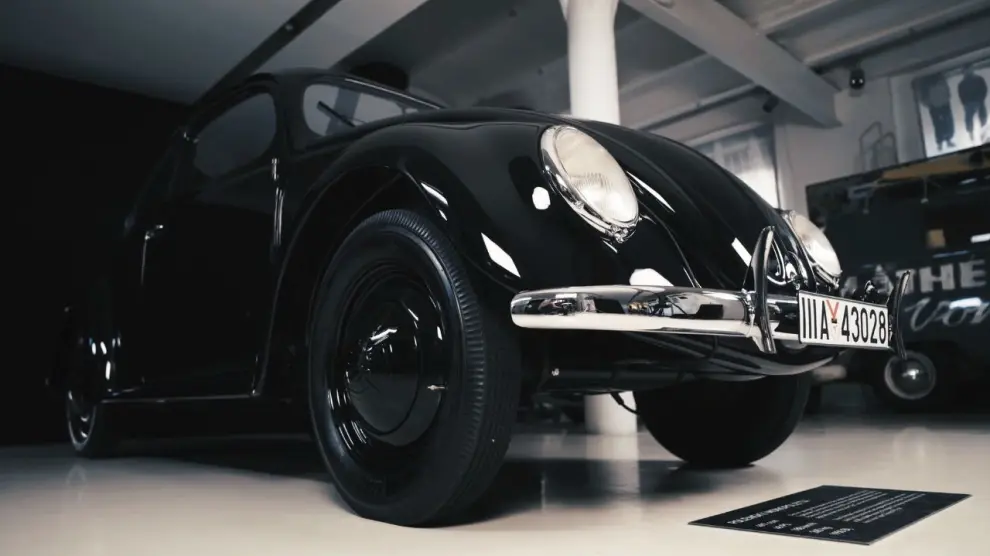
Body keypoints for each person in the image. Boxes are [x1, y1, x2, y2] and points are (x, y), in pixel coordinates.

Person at [923, 74, 955, 151]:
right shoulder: (940, 83)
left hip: (938, 105)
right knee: (943, 123)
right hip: (940, 104)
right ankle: (943, 141)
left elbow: (947, 92)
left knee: (940, 124)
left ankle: (942, 142)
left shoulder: (937, 84)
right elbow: (947, 92)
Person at [957, 66, 988, 144]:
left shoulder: (963, 83)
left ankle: (976, 134)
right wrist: (981, 98)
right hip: (975, 101)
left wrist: (965, 102)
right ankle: (976, 134)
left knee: (973, 118)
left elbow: (984, 89)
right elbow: (984, 89)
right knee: (979, 117)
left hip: (973, 102)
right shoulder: (978, 79)